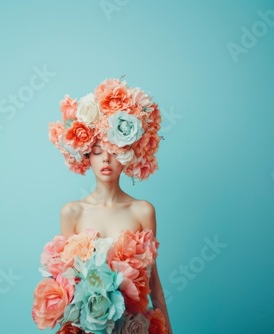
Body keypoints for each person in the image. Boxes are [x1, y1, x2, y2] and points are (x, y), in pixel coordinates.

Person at [33, 77, 172, 333]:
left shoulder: (143, 211)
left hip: (132, 327)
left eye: (114, 150)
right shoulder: (72, 213)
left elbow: (153, 283)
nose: (105, 159)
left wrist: (168, 328)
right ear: (86, 155)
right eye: (97, 151)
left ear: (128, 154)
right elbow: (67, 286)